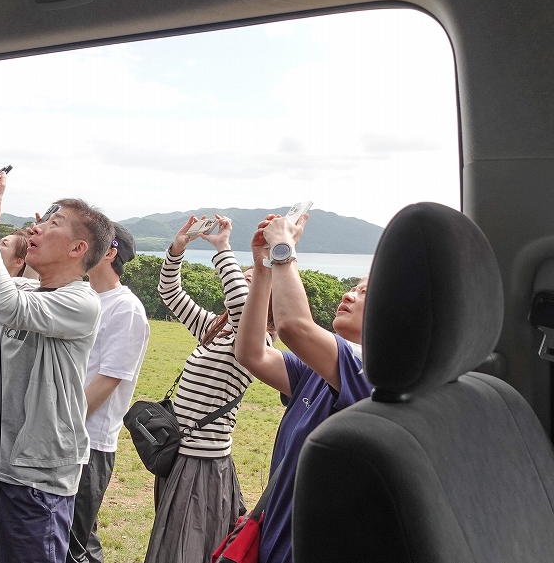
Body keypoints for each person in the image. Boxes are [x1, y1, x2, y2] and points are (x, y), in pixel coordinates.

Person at [0, 167, 114, 563]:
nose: (36, 229)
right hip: (3, 463)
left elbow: (8, 304)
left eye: (53, 223)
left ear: (77, 250)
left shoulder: (81, 302)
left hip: (37, 476)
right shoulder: (29, 288)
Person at [234, 213, 372, 563]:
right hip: (274, 546)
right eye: (353, 287)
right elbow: (252, 353)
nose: (349, 294)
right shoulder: (318, 370)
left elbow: (294, 326)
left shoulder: (368, 370)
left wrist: (284, 249)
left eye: (365, 293)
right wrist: (262, 267)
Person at [144, 215, 262, 563]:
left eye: (251, 283)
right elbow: (170, 293)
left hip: (203, 464)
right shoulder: (217, 329)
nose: (240, 284)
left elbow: (243, 307)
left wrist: (223, 246)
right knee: (173, 545)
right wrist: (177, 249)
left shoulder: (257, 343)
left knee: (186, 551)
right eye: (241, 277)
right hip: (180, 456)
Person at [67, 222, 150, 563]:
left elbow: (109, 378)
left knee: (75, 544)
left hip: (88, 442)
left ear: (110, 252)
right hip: (68, 436)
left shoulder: (125, 308)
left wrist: (64, 423)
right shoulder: (87, 298)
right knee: (72, 535)